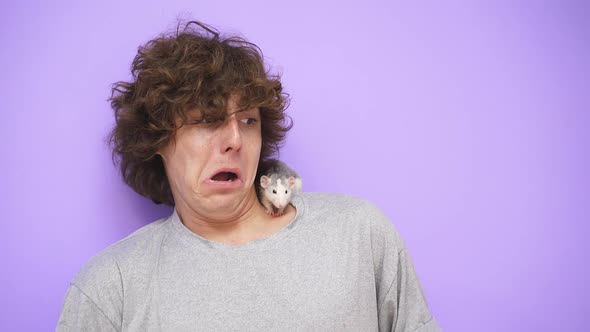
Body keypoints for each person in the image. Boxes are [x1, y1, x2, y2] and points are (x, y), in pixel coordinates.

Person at [56, 20, 442, 331]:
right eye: (207, 120)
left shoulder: (358, 233)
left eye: (248, 119)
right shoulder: (110, 289)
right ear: (156, 138)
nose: (235, 140)